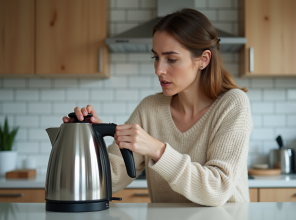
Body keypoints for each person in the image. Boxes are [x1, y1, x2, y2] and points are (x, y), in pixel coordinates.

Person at [63, 8, 253, 207]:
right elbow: (109, 180)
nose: (158, 69)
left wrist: (158, 150)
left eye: (171, 59)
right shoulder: (149, 109)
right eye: (156, 57)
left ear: (203, 60)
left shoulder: (232, 104)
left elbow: (217, 189)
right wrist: (90, 140)